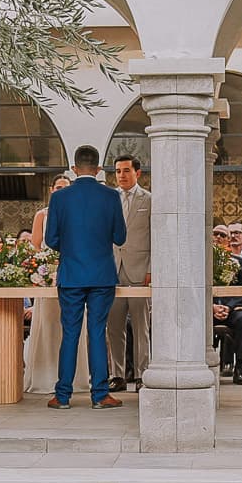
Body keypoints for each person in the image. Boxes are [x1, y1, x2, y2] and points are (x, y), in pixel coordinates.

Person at [43, 145, 127, 409]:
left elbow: (50, 239)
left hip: (71, 275)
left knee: (70, 334)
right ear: (99, 169)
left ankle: (62, 396)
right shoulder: (111, 196)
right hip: (102, 275)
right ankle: (100, 395)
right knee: (97, 332)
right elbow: (120, 237)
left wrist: (71, 248)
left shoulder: (59, 198)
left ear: (74, 168)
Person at [25, 176, 90, 396]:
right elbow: (35, 247)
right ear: (52, 190)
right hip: (48, 276)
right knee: (48, 325)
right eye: (59, 187)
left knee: (71, 325)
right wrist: (44, 267)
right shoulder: (42, 215)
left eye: (66, 188)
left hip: (74, 277)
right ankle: (46, 377)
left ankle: (75, 378)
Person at [107, 155, 151, 392]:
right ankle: (117, 375)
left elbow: (156, 237)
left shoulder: (149, 200)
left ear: (137, 173)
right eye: (118, 171)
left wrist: (151, 269)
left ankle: (143, 374)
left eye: (126, 170)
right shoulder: (108, 199)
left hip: (140, 270)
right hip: (112, 270)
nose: (121, 175)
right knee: (114, 327)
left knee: (141, 326)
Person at [212, 238, 242, 385]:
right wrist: (212, 307)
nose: (218, 237)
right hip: (206, 310)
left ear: (227, 240)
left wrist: (229, 307)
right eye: (215, 234)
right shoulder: (200, 262)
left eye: (222, 235)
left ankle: (240, 367)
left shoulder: (236, 262)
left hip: (230, 309)